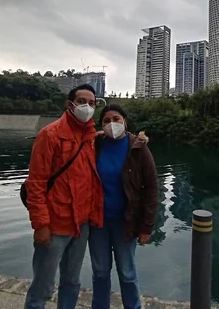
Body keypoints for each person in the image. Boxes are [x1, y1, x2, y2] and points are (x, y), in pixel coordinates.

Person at [24, 84, 103, 309]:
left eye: (92, 103)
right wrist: (40, 225)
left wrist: (138, 140)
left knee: (71, 282)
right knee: (43, 286)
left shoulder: (90, 137)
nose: (87, 107)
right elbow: (36, 184)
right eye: (82, 101)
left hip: (81, 224)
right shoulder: (49, 135)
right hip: (55, 224)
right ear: (70, 105)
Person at [89, 104, 158, 309]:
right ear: (101, 125)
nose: (112, 124)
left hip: (125, 221)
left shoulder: (138, 147)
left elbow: (152, 189)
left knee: (127, 273)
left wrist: (146, 226)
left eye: (116, 119)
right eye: (106, 120)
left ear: (125, 121)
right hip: (97, 221)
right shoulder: (96, 143)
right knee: (100, 272)